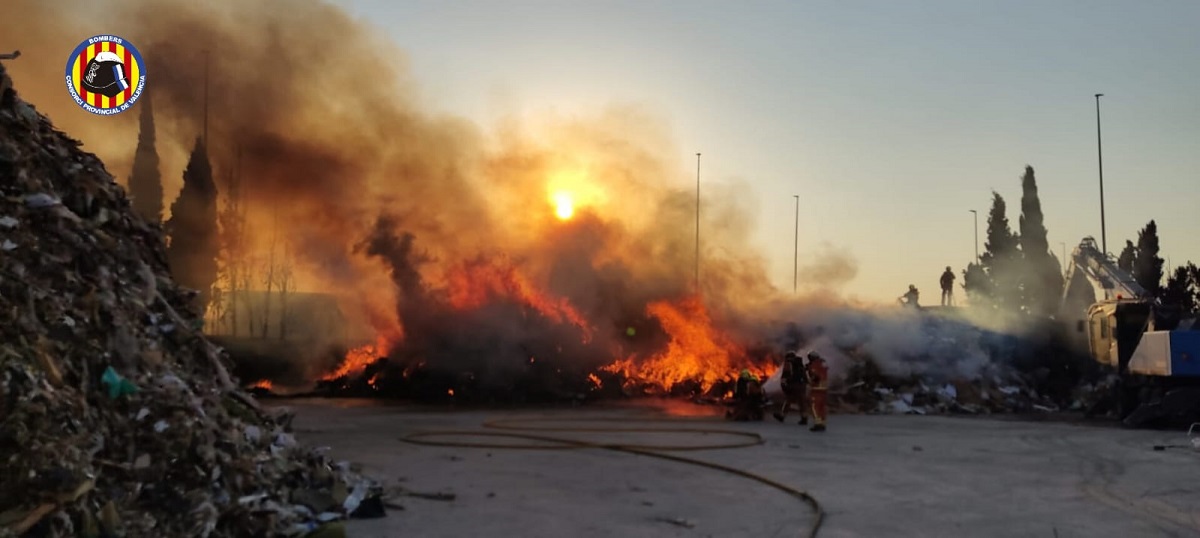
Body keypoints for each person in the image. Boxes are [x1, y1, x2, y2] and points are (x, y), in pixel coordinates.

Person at [773, 351, 809, 425]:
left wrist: (784, 386)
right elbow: (804, 375)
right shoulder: (800, 363)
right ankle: (804, 417)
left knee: (788, 401)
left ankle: (782, 416)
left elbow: (785, 376)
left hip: (792, 385)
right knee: (802, 402)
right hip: (802, 385)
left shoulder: (788, 363)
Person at [805, 351, 829, 432]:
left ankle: (818, 424)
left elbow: (815, 377)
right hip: (824, 389)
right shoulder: (823, 363)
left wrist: (809, 380)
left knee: (815, 407)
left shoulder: (814, 365)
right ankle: (822, 423)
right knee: (822, 407)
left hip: (816, 389)